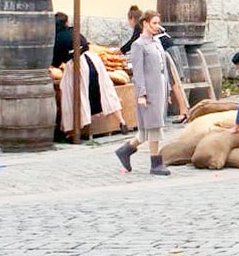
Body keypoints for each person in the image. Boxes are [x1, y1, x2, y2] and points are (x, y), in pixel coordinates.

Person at [114, 10, 170, 176]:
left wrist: (168, 89)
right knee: (154, 126)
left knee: (146, 130)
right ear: (144, 23)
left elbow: (163, 67)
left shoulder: (156, 43)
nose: (156, 26)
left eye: (157, 23)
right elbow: (137, 73)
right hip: (149, 89)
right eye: (153, 23)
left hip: (159, 86)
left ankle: (126, 150)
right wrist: (141, 94)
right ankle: (155, 163)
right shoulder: (138, 45)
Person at [53, 12, 127, 136]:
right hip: (93, 60)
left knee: (71, 93)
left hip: (77, 64)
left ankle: (72, 130)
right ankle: (121, 121)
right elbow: (85, 45)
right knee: (106, 90)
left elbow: (56, 61)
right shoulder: (75, 32)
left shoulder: (58, 38)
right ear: (66, 23)